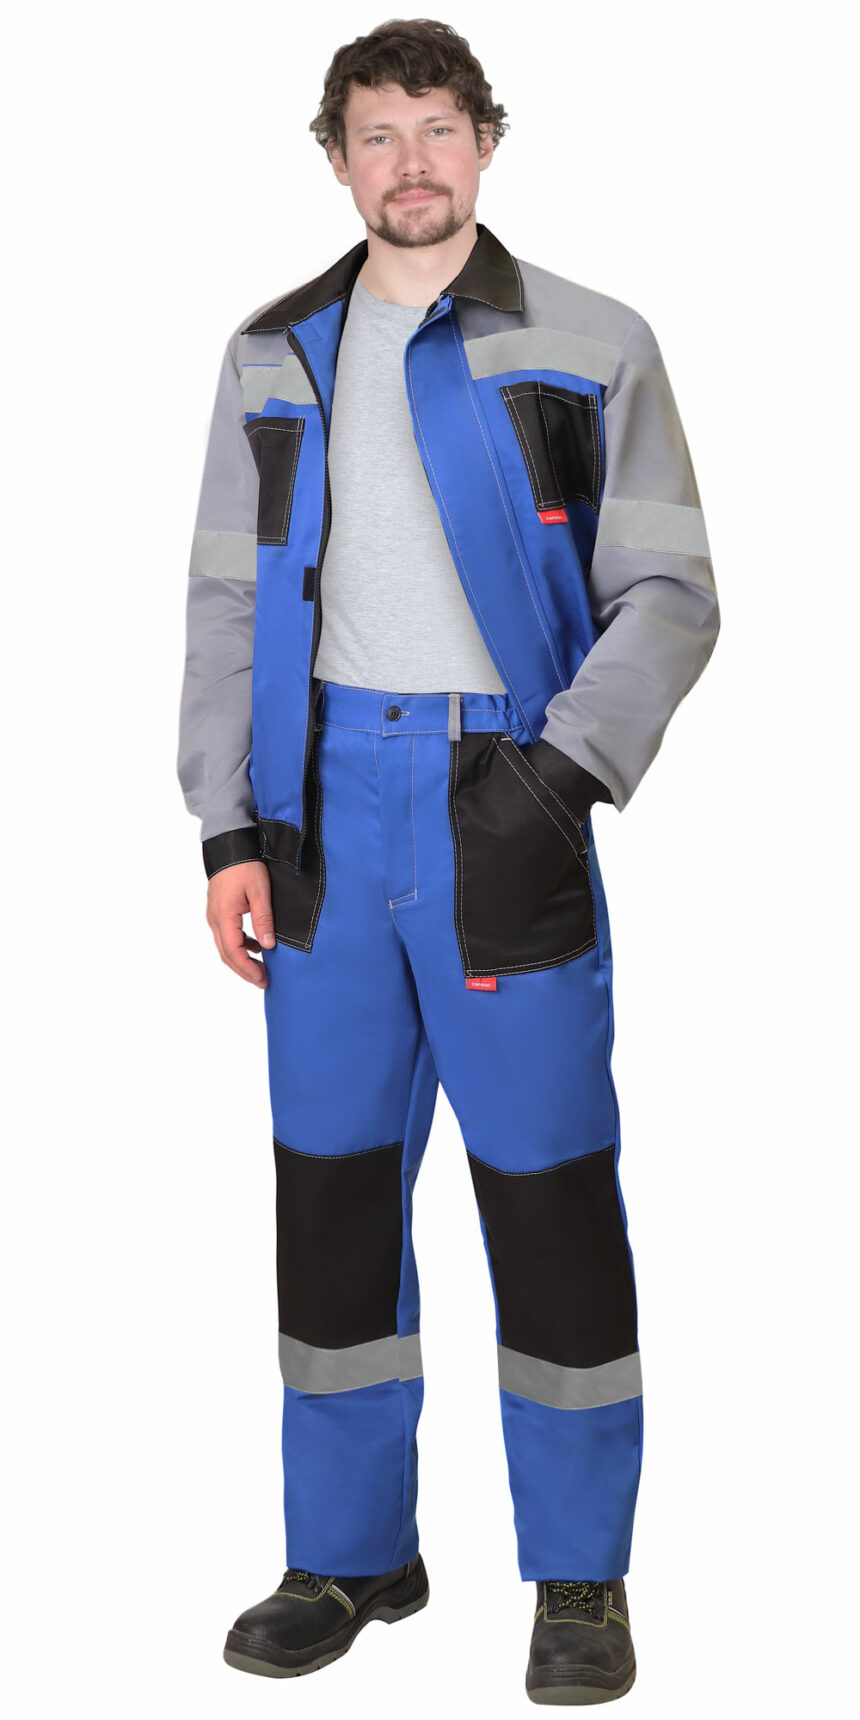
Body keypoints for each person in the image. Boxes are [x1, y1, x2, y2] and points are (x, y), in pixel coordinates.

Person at [176, 17, 720, 1704]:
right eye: (375, 135)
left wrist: (558, 777)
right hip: (320, 817)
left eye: (436, 129)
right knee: (331, 1192)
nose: (408, 165)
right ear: (335, 158)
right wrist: (229, 822)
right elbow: (224, 601)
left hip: (507, 796)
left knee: (548, 1193)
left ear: (487, 140)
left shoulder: (593, 342)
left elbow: (671, 594)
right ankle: (350, 1554)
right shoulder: (273, 352)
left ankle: (580, 1579)